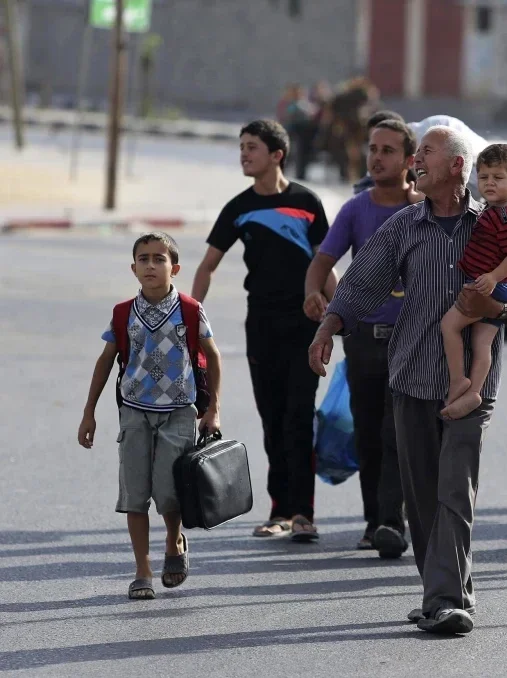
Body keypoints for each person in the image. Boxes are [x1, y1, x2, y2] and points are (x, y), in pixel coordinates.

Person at [308, 126, 507, 635]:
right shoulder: (404, 225)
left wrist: (504, 307)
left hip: (469, 387)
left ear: (457, 166)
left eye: (427, 152)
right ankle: (443, 592)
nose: (417, 160)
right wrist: (328, 326)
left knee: (456, 490)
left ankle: (447, 601)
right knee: (423, 497)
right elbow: (362, 281)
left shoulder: (495, 222)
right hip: (412, 373)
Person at [192, 120, 332, 542]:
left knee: (299, 418)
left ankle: (304, 513)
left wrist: (340, 315)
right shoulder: (239, 207)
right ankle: (281, 511)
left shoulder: (307, 202)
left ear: (277, 155)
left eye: (251, 147)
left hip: (305, 325)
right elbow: (207, 266)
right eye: (241, 148)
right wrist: (190, 318)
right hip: (263, 326)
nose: (243, 154)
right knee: (273, 420)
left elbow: (325, 266)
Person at [77, 233, 222, 600]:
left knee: (170, 493)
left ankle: (174, 543)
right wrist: (89, 412)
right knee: (135, 494)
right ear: (133, 268)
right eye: (143, 259)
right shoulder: (123, 312)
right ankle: (142, 570)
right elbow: (106, 361)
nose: (151, 265)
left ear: (174, 268)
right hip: (134, 413)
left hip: (178, 413)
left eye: (159, 259)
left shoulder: (190, 309)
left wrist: (212, 409)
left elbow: (213, 356)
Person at [303, 119, 420, 556]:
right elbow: (323, 261)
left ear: (410, 160)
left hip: (413, 343)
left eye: (388, 150)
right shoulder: (356, 208)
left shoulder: (424, 208)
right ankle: (375, 521)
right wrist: (317, 295)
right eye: (373, 148)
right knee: (368, 434)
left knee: (398, 433)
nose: (377, 157)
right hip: (364, 342)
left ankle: (393, 521)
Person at [440, 144, 507, 420]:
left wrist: (493, 278)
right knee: (481, 344)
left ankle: (458, 379)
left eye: (498, 177)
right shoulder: (492, 211)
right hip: (495, 284)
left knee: (449, 326)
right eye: (484, 177)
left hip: (495, 286)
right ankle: (473, 392)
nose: (489, 183)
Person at [351, 111, 407, 195]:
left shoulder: (424, 188)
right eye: (373, 147)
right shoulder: (363, 192)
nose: (378, 156)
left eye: (387, 148)